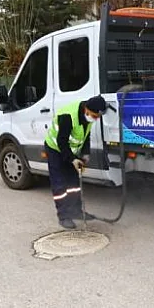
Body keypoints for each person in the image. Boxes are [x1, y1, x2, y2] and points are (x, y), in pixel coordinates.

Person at [44, 95, 107, 229]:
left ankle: (76, 211)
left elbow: (86, 136)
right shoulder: (68, 116)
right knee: (60, 183)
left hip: (71, 150)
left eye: (97, 117)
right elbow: (62, 141)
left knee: (73, 181)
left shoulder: (88, 117)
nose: (95, 119)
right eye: (95, 116)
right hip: (55, 149)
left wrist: (85, 155)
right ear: (86, 110)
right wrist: (72, 159)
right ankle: (64, 216)